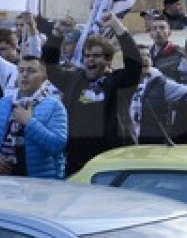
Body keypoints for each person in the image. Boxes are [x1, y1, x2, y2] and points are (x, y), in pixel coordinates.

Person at [44, 11, 141, 175]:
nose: (90, 59)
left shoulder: (119, 82)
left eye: (96, 56)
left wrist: (118, 28)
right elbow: (49, 66)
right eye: (87, 56)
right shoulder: (73, 79)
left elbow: (134, 64)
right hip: (77, 161)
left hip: (112, 161)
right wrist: (57, 33)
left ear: (108, 60)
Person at [0, 56, 67, 179]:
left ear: (44, 78)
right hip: (3, 180)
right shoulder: (3, 104)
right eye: (21, 71)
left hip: (41, 181)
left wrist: (29, 123)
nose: (25, 75)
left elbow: (57, 145)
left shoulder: (55, 106)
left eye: (31, 71)